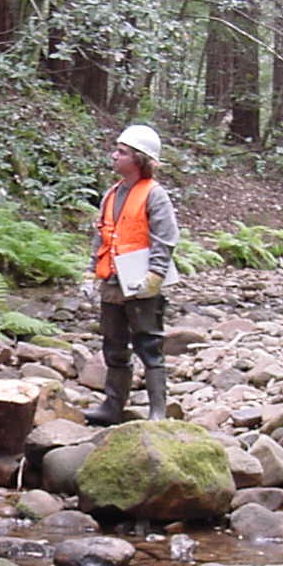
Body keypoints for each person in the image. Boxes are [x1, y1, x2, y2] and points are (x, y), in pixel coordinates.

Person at [81, 124, 179, 425]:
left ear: (139, 159)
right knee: (113, 346)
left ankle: (157, 411)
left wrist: (156, 275)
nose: (114, 155)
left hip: (141, 283)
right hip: (112, 282)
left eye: (121, 152)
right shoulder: (111, 194)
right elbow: (101, 237)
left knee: (149, 345)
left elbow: (165, 238)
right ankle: (113, 407)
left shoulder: (155, 195)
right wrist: (90, 273)